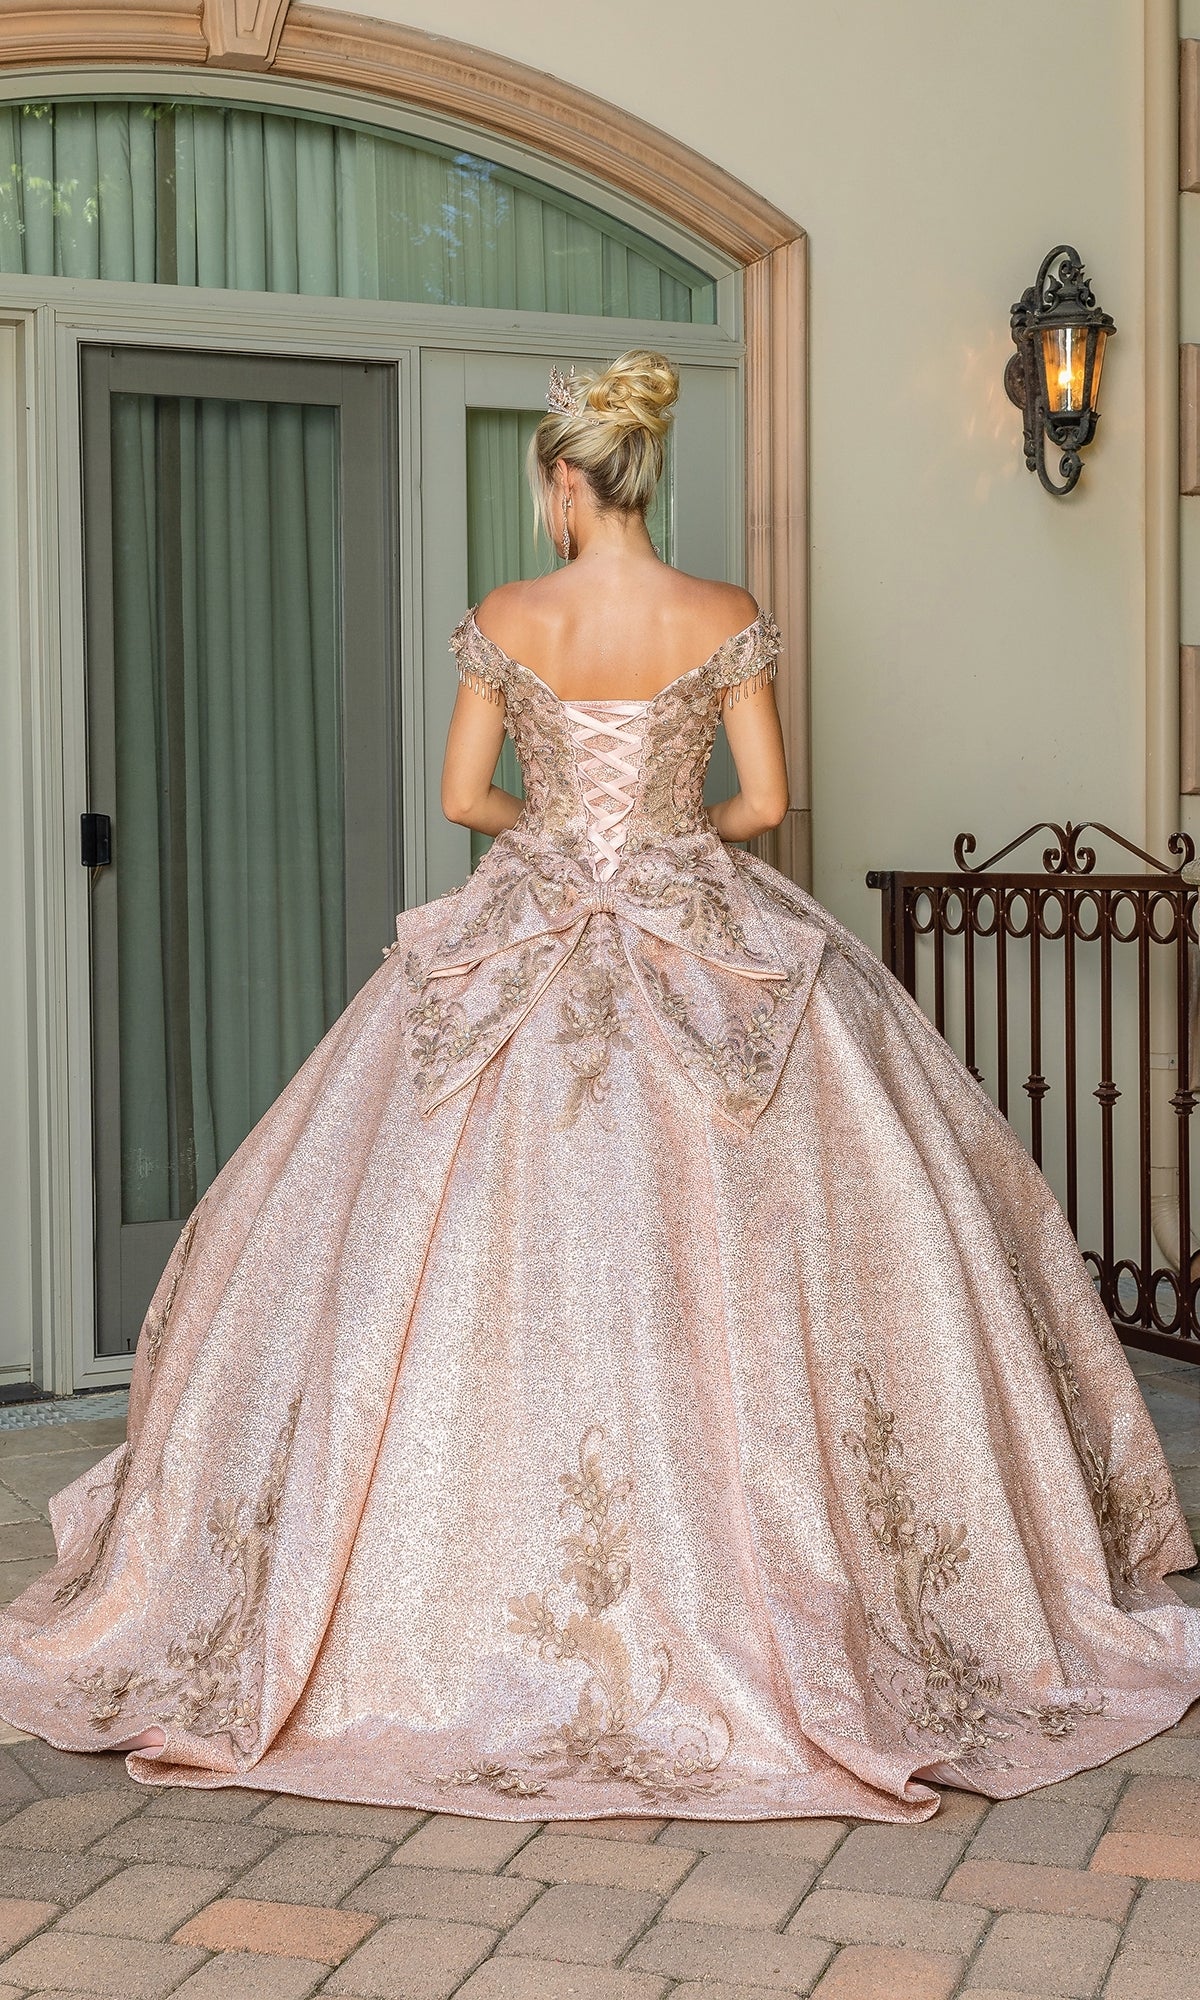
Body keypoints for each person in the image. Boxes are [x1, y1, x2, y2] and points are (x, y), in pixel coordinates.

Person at [0, 348, 1197, 1825]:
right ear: (641, 475)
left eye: (548, 483)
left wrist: (562, 843)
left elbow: (464, 797)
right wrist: (666, 841)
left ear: (566, 480)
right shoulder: (726, 613)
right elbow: (766, 803)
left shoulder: (512, 616)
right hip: (702, 922)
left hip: (535, 919)